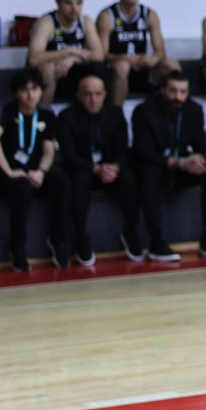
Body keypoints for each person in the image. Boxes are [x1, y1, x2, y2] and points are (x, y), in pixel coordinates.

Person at [131, 71, 206, 262]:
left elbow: (202, 149)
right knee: (150, 173)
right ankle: (156, 241)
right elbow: (143, 152)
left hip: (182, 169)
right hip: (155, 168)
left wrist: (196, 159)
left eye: (183, 92)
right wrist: (177, 162)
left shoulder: (194, 110)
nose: (178, 97)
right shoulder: (144, 111)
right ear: (163, 90)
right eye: (173, 91)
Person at [0, 67, 67, 271]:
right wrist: (9, 171)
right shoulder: (7, 109)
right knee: (21, 188)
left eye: (35, 88)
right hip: (7, 171)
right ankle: (17, 247)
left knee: (61, 182)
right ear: (16, 93)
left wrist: (41, 171)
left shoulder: (47, 114)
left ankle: (59, 241)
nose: (30, 94)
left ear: (41, 91)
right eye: (24, 90)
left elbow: (49, 150)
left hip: (34, 170)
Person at [58, 72, 140, 266]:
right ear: (78, 95)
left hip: (110, 168)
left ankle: (131, 231)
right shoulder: (66, 116)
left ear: (105, 94)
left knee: (129, 177)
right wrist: (94, 168)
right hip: (83, 168)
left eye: (98, 94)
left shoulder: (115, 113)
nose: (93, 99)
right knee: (79, 180)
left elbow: (123, 149)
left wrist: (115, 167)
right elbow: (68, 155)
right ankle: (80, 235)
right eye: (88, 94)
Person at [98, 0, 182, 106]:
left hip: (142, 68)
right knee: (122, 66)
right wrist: (126, 58)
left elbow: (160, 51)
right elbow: (101, 55)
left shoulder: (149, 14)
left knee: (172, 65)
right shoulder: (107, 16)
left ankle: (171, 111)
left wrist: (153, 59)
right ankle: (116, 116)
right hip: (116, 70)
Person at [28, 0, 105, 101]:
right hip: (53, 71)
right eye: (68, 3)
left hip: (73, 68)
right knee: (47, 69)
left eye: (78, 3)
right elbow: (34, 59)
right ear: (58, 4)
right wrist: (70, 51)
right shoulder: (46, 22)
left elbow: (99, 55)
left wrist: (73, 58)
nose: (74, 8)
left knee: (99, 68)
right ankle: (45, 116)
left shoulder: (85, 21)